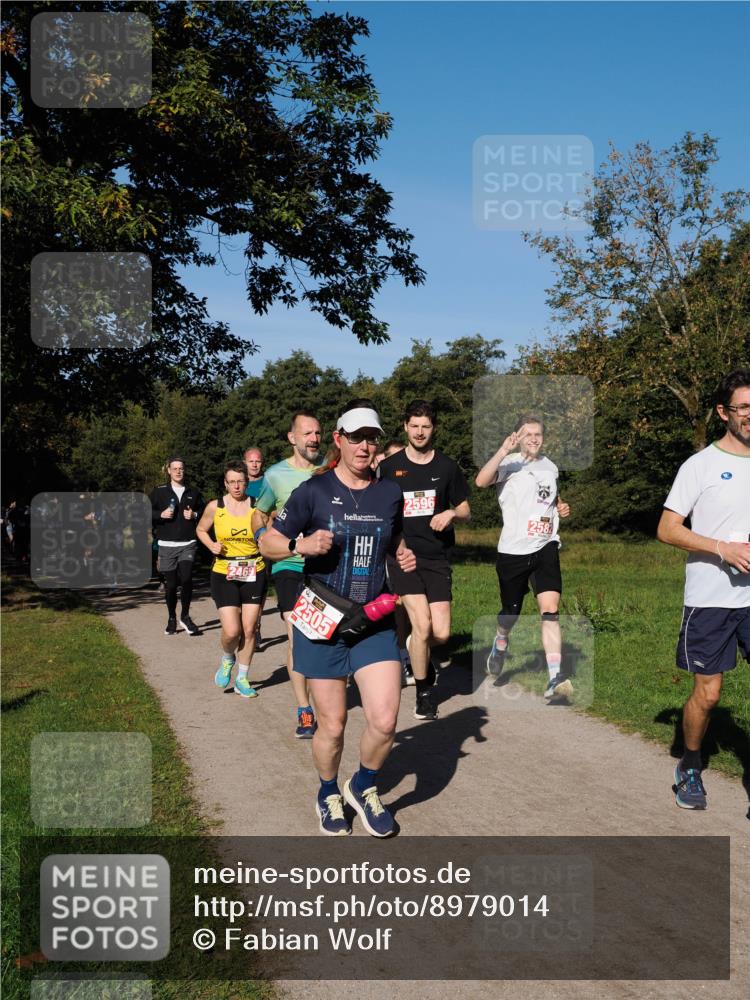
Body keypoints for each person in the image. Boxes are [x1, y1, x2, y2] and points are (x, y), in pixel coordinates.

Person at [260, 399, 416, 837]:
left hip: (372, 618)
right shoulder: (313, 491)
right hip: (322, 620)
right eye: (356, 437)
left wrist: (400, 551)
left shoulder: (389, 492)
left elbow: (395, 535)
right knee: (333, 724)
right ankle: (328, 790)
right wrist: (299, 548)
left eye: (371, 438)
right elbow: (268, 542)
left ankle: (362, 785)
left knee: (384, 720)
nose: (364, 446)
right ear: (338, 440)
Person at [657, 369, 750, 810]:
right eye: (743, 407)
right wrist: (721, 549)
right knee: (709, 694)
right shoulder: (700, 465)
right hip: (710, 599)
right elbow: (667, 529)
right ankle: (690, 764)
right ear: (723, 412)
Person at [378, 400, 471, 721]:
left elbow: (465, 509)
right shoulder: (389, 469)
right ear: (405, 426)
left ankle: (415, 647)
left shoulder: (446, 467)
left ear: (434, 429)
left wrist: (450, 512)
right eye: (414, 425)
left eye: (426, 426)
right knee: (422, 624)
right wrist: (396, 544)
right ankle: (424, 693)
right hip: (403, 557)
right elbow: (380, 515)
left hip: (437, 557)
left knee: (441, 634)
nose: (420, 432)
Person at [475, 415, 572, 700]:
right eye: (527, 434)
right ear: (518, 435)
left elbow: (550, 499)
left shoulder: (550, 466)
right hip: (514, 551)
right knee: (510, 613)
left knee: (550, 610)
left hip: (546, 546)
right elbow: (481, 481)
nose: (533, 438)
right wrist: (503, 450)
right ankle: (501, 640)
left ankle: (555, 677)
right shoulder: (510, 463)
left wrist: (561, 506)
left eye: (538, 434)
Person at [254, 411, 325, 738]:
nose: (314, 438)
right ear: (292, 438)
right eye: (307, 433)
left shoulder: (330, 471)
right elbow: (259, 514)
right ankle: (304, 709)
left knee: (321, 637)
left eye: (318, 433)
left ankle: (324, 696)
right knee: (298, 634)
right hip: (289, 565)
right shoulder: (275, 475)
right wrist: (261, 538)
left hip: (325, 566)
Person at [196, 462, 268, 698]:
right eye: (232, 482)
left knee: (249, 629)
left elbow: (271, 532)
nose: (237, 486)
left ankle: (242, 678)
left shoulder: (258, 507)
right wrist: (211, 545)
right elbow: (201, 530)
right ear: (225, 484)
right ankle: (228, 658)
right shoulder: (215, 507)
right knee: (232, 630)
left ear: (247, 482)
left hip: (254, 569)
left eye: (240, 481)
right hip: (224, 572)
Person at [149, 457, 204, 635]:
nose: (178, 471)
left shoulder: (193, 492)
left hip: (188, 543)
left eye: (181, 468)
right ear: (169, 471)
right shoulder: (159, 492)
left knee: (187, 578)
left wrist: (194, 514)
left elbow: (205, 512)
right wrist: (160, 514)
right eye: (175, 468)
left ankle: (185, 616)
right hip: (166, 545)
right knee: (171, 585)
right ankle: (172, 617)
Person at [243, 446, 267, 646]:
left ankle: (256, 625)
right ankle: (246, 625)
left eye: (257, 460)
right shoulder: (238, 483)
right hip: (241, 542)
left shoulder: (269, 482)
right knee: (243, 585)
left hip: (263, 540)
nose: (254, 464)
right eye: (251, 461)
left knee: (261, 586)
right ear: (245, 463)